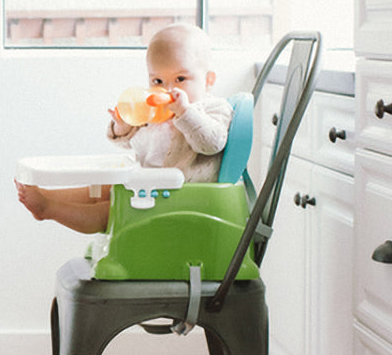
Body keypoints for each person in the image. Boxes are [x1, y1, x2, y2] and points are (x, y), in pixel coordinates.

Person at [15, 22, 233, 235]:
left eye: (180, 79)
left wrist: (185, 112)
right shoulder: (155, 111)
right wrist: (123, 125)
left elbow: (212, 143)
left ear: (208, 80)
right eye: (157, 80)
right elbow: (129, 140)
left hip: (175, 197)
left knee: (109, 212)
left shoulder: (213, 109)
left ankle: (48, 209)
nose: (167, 90)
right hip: (144, 185)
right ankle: (46, 195)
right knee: (103, 187)